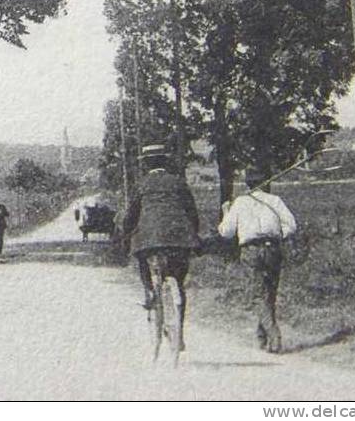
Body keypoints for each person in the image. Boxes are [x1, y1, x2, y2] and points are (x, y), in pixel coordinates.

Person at [120, 143, 200, 348]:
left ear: (146, 164)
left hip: (150, 239)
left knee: (141, 257)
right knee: (179, 282)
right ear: (165, 161)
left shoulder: (142, 184)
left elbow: (131, 215)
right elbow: (192, 212)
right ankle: (179, 332)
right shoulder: (178, 182)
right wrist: (194, 233)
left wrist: (126, 232)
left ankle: (149, 291)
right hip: (180, 239)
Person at [218, 166, 297, 353]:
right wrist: (278, 235)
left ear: (247, 183)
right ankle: (262, 338)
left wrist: (226, 213)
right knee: (270, 292)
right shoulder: (275, 201)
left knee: (256, 295)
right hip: (273, 249)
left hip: (251, 250)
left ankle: (273, 334)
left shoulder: (240, 202)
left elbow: (226, 233)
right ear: (267, 183)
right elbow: (292, 225)